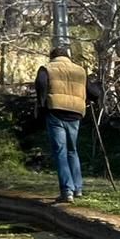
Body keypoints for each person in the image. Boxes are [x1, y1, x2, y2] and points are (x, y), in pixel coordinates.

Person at [35, 45, 99, 203]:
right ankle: (78, 188)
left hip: (55, 111)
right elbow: (93, 92)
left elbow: (41, 84)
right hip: (75, 113)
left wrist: (41, 104)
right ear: (68, 57)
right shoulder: (80, 70)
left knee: (60, 151)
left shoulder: (47, 68)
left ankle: (67, 190)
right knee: (72, 150)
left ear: (52, 57)